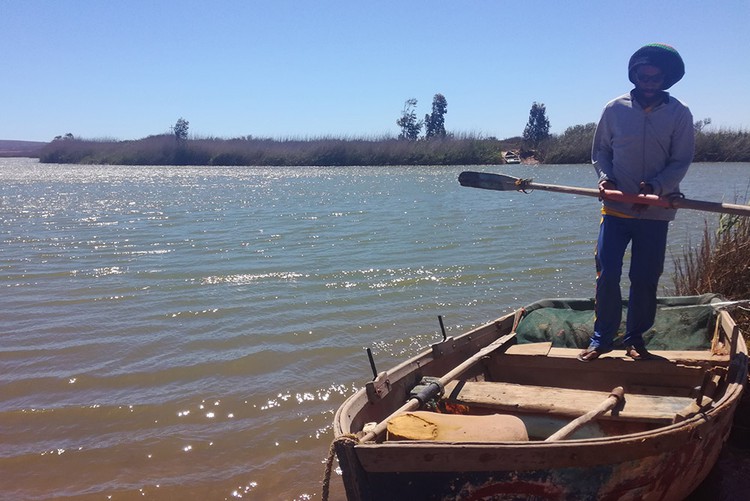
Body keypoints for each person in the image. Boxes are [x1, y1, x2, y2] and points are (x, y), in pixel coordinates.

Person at [577, 43, 695, 362]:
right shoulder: (614, 109)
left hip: (656, 211)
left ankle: (634, 338)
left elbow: (682, 159)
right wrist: (606, 179)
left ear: (666, 79)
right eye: (644, 75)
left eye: (656, 77)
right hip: (616, 208)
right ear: (635, 74)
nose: (649, 82)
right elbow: (600, 152)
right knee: (608, 273)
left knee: (644, 277)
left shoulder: (679, 113)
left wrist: (656, 187)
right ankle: (601, 338)